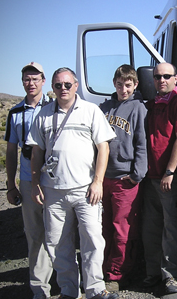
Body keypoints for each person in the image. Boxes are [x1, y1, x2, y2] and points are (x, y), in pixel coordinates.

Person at [26, 67, 118, 299]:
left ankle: (95, 289)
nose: (63, 89)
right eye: (58, 85)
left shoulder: (90, 111)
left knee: (92, 240)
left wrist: (97, 182)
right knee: (57, 243)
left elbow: (103, 147)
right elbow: (36, 151)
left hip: (86, 190)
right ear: (53, 88)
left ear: (76, 85)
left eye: (68, 84)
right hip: (53, 191)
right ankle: (68, 290)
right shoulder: (44, 115)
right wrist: (36, 182)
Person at [142, 62, 177, 295]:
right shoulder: (150, 105)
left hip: (170, 178)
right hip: (150, 177)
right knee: (151, 228)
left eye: (166, 76)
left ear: (176, 78)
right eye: (157, 77)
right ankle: (153, 273)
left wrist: (170, 171)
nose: (161, 80)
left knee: (172, 228)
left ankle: (171, 276)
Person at [5, 62, 53, 299]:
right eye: (27, 79)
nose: (31, 83)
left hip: (54, 180)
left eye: (35, 79)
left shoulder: (54, 107)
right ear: (22, 81)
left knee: (61, 233)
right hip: (27, 179)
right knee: (35, 234)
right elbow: (11, 149)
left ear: (43, 80)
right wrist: (10, 184)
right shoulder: (15, 113)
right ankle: (40, 289)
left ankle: (68, 284)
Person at [99, 65, 147, 290]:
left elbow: (142, 143)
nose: (124, 89)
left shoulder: (138, 108)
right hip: (103, 178)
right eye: (120, 85)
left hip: (124, 179)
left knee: (123, 229)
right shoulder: (105, 108)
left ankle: (117, 275)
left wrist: (137, 174)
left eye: (128, 85)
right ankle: (103, 269)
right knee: (104, 228)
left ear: (135, 85)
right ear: (114, 84)